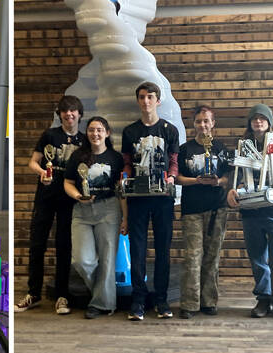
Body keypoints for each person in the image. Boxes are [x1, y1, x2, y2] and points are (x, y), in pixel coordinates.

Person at [227, 104, 273, 322]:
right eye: (254, 118)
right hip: (252, 211)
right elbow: (237, 174)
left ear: (269, 122)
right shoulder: (243, 147)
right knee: (258, 258)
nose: (258, 122)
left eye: (262, 118)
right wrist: (232, 190)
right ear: (250, 122)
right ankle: (263, 299)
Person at [17, 95, 86, 315]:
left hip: (69, 199)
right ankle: (33, 292)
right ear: (60, 115)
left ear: (79, 114)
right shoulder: (50, 135)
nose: (69, 114)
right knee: (37, 244)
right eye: (65, 111)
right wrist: (42, 174)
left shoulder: (84, 141)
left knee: (65, 246)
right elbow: (33, 163)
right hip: (46, 196)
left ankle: (62, 296)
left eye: (73, 110)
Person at [121, 82, 180, 321]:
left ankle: (162, 299)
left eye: (150, 97)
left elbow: (174, 161)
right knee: (137, 250)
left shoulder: (170, 130)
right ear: (138, 101)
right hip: (137, 198)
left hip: (163, 199)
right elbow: (126, 162)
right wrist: (124, 179)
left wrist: (172, 177)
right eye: (142, 97)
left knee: (163, 250)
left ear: (158, 100)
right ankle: (138, 301)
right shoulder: (129, 132)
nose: (146, 101)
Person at [62, 116, 126, 319]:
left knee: (107, 260)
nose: (95, 134)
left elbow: (121, 191)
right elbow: (68, 183)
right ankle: (102, 294)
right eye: (91, 130)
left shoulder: (116, 159)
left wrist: (126, 218)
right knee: (82, 260)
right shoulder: (77, 156)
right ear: (87, 133)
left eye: (99, 130)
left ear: (107, 133)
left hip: (109, 209)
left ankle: (101, 304)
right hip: (81, 212)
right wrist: (78, 196)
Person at [175, 106, 231, 319]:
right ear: (194, 124)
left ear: (213, 123)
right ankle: (189, 303)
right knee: (192, 257)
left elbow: (228, 176)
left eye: (206, 121)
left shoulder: (220, 148)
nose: (203, 125)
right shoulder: (184, 149)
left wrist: (218, 181)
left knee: (212, 257)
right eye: (199, 121)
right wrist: (196, 180)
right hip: (192, 210)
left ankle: (209, 301)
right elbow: (177, 177)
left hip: (217, 208)